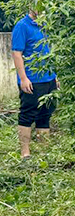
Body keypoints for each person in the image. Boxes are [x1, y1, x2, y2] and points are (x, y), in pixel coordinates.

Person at [11, 9, 57, 158]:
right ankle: (25, 152)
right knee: (28, 114)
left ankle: (44, 152)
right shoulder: (22, 26)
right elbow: (17, 52)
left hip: (49, 79)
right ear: (31, 6)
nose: (41, 8)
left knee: (45, 114)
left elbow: (49, 52)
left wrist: (55, 76)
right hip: (32, 80)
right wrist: (23, 78)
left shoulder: (46, 25)